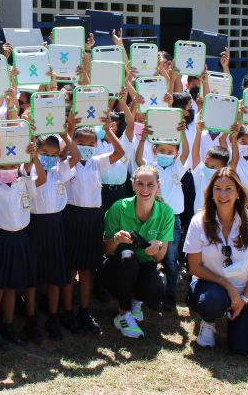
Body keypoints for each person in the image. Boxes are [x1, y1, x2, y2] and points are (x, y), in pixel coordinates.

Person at [183, 167, 248, 354]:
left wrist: (244, 298)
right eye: (217, 188)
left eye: (229, 188)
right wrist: (228, 287)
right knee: (211, 301)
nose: (222, 194)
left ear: (238, 193)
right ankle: (208, 322)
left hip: (245, 290)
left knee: (244, 348)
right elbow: (194, 266)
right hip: (211, 286)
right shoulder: (199, 221)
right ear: (211, 193)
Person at [63, 120, 126, 333]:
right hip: (72, 216)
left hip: (92, 218)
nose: (87, 147)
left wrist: (108, 131)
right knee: (71, 267)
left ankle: (84, 310)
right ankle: (68, 310)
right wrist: (69, 132)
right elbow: (64, 154)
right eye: (81, 143)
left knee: (88, 268)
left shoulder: (96, 162)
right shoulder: (67, 162)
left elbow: (119, 152)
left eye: (91, 144)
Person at [0, 116, 42, 346]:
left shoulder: (23, 182)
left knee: (11, 286)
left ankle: (8, 325)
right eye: (2, 166)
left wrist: (30, 155)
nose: (7, 170)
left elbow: (29, 174)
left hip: (21, 238)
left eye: (12, 166)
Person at [101, 165, 175, 339]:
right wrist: (116, 240)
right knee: (128, 256)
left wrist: (156, 247)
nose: (145, 189)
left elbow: (160, 257)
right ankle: (124, 314)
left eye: (150, 184)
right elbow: (105, 249)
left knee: (155, 292)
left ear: (158, 186)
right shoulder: (119, 207)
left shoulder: (166, 213)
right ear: (132, 184)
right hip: (117, 268)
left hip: (145, 264)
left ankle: (135, 300)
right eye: (140, 183)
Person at [24, 130, 81, 342]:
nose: (48, 157)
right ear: (36, 151)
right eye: (43, 152)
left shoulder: (60, 171)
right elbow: (37, 177)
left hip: (57, 224)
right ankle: (31, 319)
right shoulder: (29, 170)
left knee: (56, 274)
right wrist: (32, 155)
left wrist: (65, 134)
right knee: (33, 276)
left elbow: (76, 157)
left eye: (53, 153)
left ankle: (53, 317)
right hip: (35, 226)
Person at [134, 109, 190, 310]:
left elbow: (187, 152)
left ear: (175, 153)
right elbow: (139, 158)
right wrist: (143, 138)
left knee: (171, 259)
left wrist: (182, 133)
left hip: (173, 220)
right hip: (153, 218)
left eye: (170, 151)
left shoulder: (178, 167)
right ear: (155, 150)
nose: (166, 154)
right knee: (148, 254)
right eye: (162, 150)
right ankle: (146, 292)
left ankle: (170, 296)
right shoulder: (151, 167)